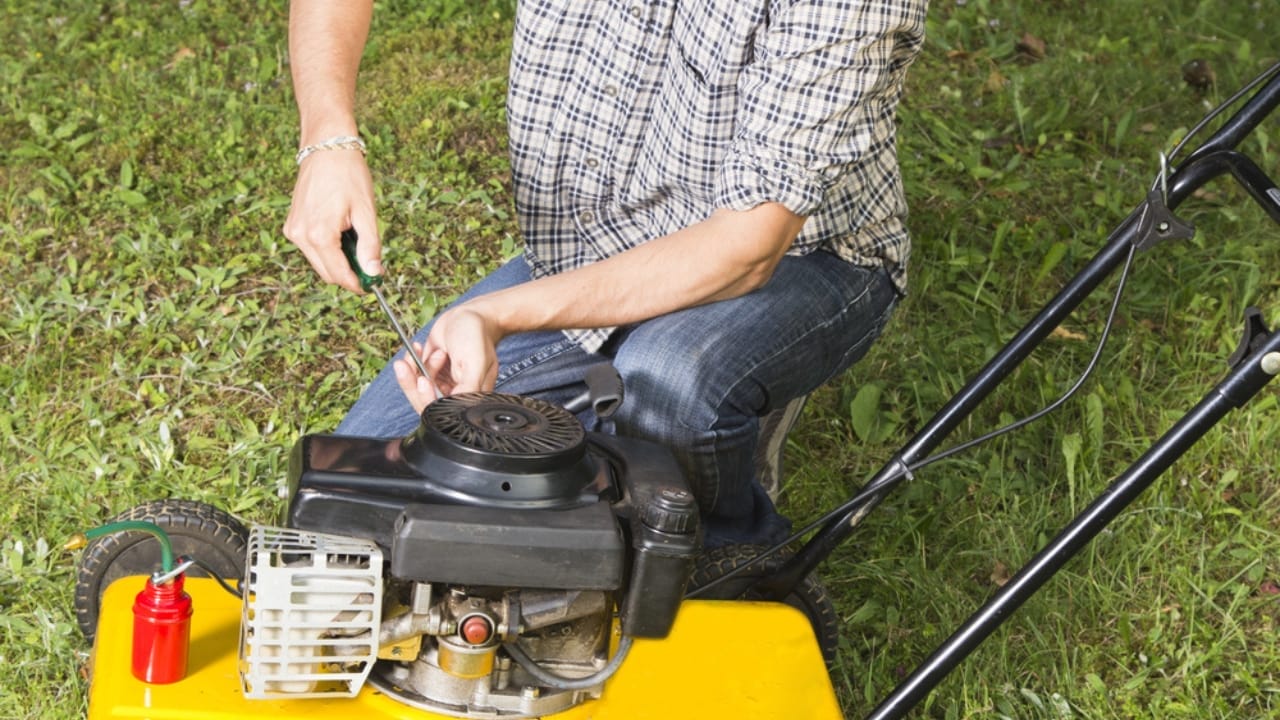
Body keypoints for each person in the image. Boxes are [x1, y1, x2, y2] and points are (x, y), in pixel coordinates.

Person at [283, 0, 928, 548]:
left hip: (802, 256)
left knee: (672, 385)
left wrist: (499, 316)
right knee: (358, 497)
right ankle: (613, 431)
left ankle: (732, 561)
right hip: (591, 248)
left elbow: (748, 245)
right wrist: (327, 139)